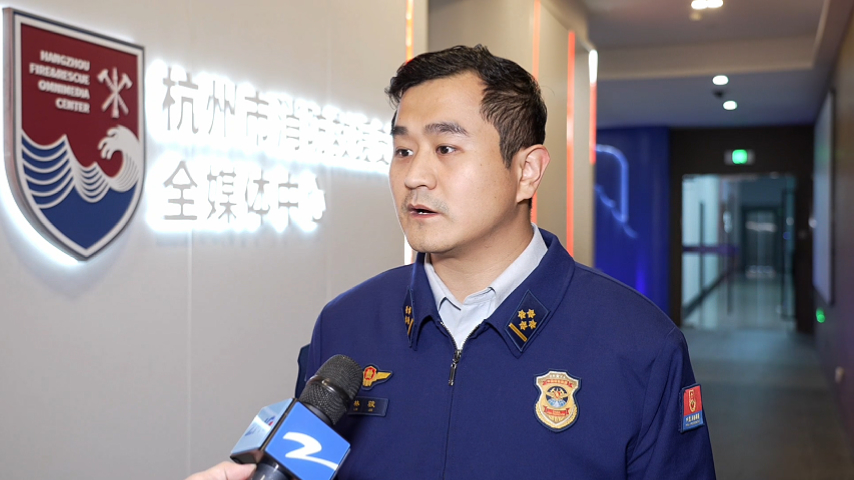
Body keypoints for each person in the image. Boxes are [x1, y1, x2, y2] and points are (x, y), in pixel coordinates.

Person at [188, 44, 715, 480]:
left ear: (527, 171)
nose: (415, 176)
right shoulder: (346, 324)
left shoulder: (639, 345)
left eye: (445, 148)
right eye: (403, 151)